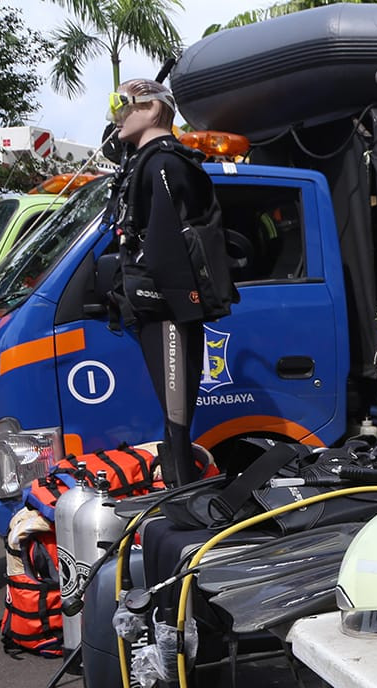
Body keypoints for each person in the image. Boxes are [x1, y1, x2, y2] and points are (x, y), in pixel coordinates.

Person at [105, 79, 235, 486]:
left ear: (152, 109)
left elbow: (168, 241)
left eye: (121, 104)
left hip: (169, 309)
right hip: (158, 307)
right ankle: (178, 493)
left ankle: (184, 499)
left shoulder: (165, 163)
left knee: (177, 418)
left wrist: (183, 303)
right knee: (172, 412)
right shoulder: (142, 162)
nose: (116, 116)